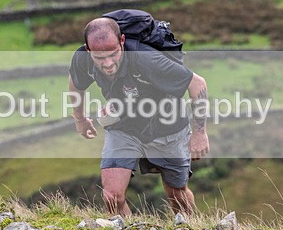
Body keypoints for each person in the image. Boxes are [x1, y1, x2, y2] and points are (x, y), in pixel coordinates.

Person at [67, 16, 209, 217]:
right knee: (112, 197)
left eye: (113, 54)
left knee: (177, 194)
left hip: (169, 128)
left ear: (122, 42)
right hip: (124, 128)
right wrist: (80, 119)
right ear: (88, 49)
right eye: (99, 58)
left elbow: (198, 84)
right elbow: (75, 81)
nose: (107, 64)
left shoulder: (146, 59)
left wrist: (199, 133)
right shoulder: (82, 58)